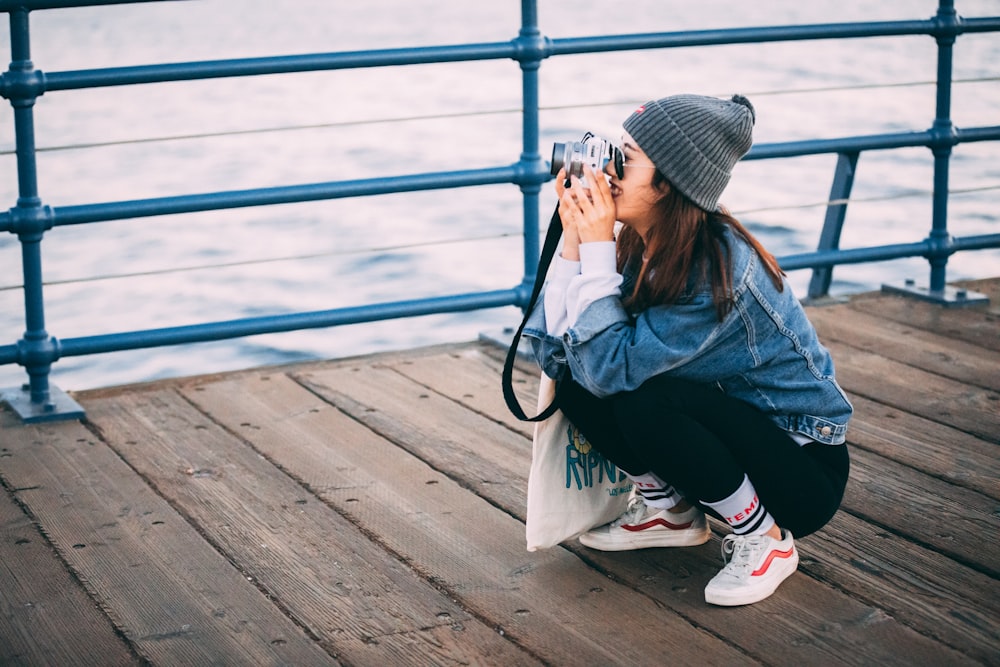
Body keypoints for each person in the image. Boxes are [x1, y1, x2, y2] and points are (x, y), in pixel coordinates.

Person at [523, 93, 852, 606]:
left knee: (639, 396)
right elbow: (559, 356)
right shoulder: (643, 241)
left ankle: (764, 540)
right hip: (727, 437)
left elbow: (614, 371)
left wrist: (595, 249)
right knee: (576, 376)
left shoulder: (714, 271)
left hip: (800, 469)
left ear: (669, 183)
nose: (607, 171)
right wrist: (575, 239)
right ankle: (668, 509)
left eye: (625, 160)